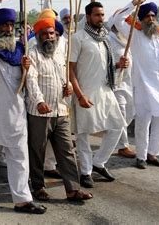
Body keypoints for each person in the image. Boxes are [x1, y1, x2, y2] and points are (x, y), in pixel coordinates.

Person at [0, 0, 47, 214]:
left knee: (19, 156)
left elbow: (29, 82)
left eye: (10, 25)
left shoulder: (23, 50)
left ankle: (23, 199)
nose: (7, 29)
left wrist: (27, 69)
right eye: (3, 25)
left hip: (16, 113)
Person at [26, 17, 93, 202]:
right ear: (38, 36)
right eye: (45, 34)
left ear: (56, 35)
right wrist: (39, 101)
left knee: (67, 151)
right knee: (37, 151)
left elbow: (66, 78)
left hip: (61, 111)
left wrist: (69, 87)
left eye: (52, 33)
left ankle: (73, 189)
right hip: (40, 112)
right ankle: (38, 186)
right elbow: (31, 81)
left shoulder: (60, 53)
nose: (49, 37)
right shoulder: (32, 54)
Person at [112, 0, 159, 169]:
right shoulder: (134, 34)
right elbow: (118, 20)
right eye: (146, 16)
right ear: (141, 18)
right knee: (143, 122)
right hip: (142, 86)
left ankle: (153, 153)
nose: (150, 19)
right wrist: (133, 4)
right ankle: (141, 156)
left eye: (153, 16)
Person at [69, 2, 128, 188]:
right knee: (83, 135)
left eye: (102, 15)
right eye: (97, 15)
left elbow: (104, 66)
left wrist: (118, 65)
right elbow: (70, 70)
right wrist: (79, 95)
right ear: (88, 17)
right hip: (85, 92)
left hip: (106, 90)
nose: (101, 18)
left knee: (118, 126)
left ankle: (98, 162)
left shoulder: (105, 38)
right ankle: (85, 171)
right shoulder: (78, 38)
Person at [107, 12, 137, 158]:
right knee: (122, 114)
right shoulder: (108, 41)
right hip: (115, 84)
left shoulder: (128, 41)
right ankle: (123, 146)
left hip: (128, 84)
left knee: (131, 113)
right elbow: (103, 64)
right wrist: (117, 65)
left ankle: (115, 135)